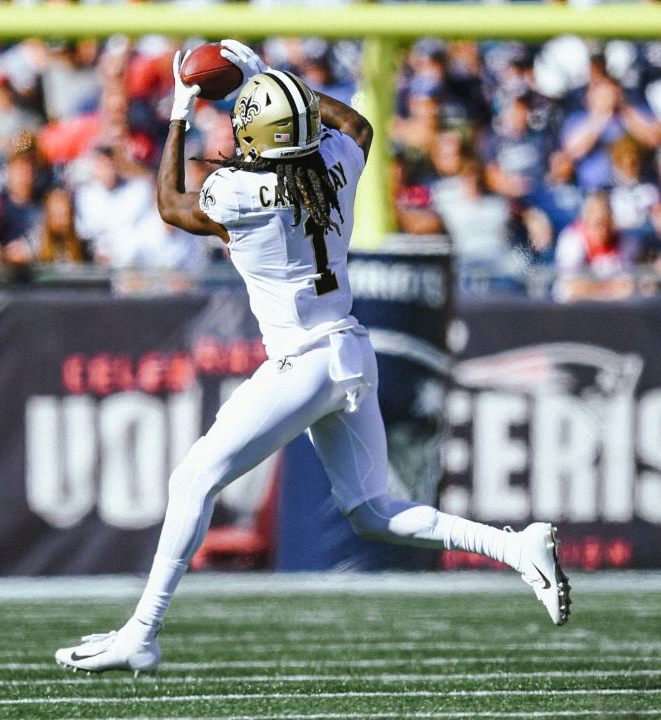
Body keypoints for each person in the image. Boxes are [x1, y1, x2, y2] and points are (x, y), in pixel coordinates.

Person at [55, 40, 571, 678]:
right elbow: (356, 123)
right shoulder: (335, 163)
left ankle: (142, 631)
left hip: (300, 362)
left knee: (193, 479)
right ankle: (516, 546)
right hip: (350, 350)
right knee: (372, 510)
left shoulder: (241, 195)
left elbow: (170, 203)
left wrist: (180, 112)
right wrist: (273, 81)